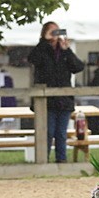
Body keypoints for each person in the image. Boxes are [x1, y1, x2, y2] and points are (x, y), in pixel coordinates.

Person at [27, 22, 85, 162]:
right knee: (47, 132)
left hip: (63, 100)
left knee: (61, 133)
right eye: (51, 31)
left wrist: (67, 49)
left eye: (56, 31)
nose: (55, 34)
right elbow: (33, 59)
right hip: (46, 100)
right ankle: (43, 160)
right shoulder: (42, 49)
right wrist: (44, 41)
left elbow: (78, 67)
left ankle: (61, 161)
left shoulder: (64, 52)